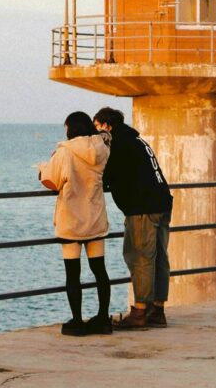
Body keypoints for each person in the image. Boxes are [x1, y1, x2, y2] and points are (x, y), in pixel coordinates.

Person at [93, 107, 173, 330]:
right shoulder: (137, 140)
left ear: (107, 126)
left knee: (138, 256)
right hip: (162, 202)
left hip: (142, 206)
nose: (95, 133)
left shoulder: (117, 143)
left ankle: (139, 311)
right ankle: (157, 310)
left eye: (97, 127)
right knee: (159, 258)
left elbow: (107, 173)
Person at [37, 111, 112, 336]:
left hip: (71, 220)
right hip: (95, 217)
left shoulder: (65, 152)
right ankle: (102, 319)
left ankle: (77, 322)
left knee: (73, 273)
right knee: (100, 271)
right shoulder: (102, 148)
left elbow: (52, 181)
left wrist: (42, 170)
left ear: (71, 129)